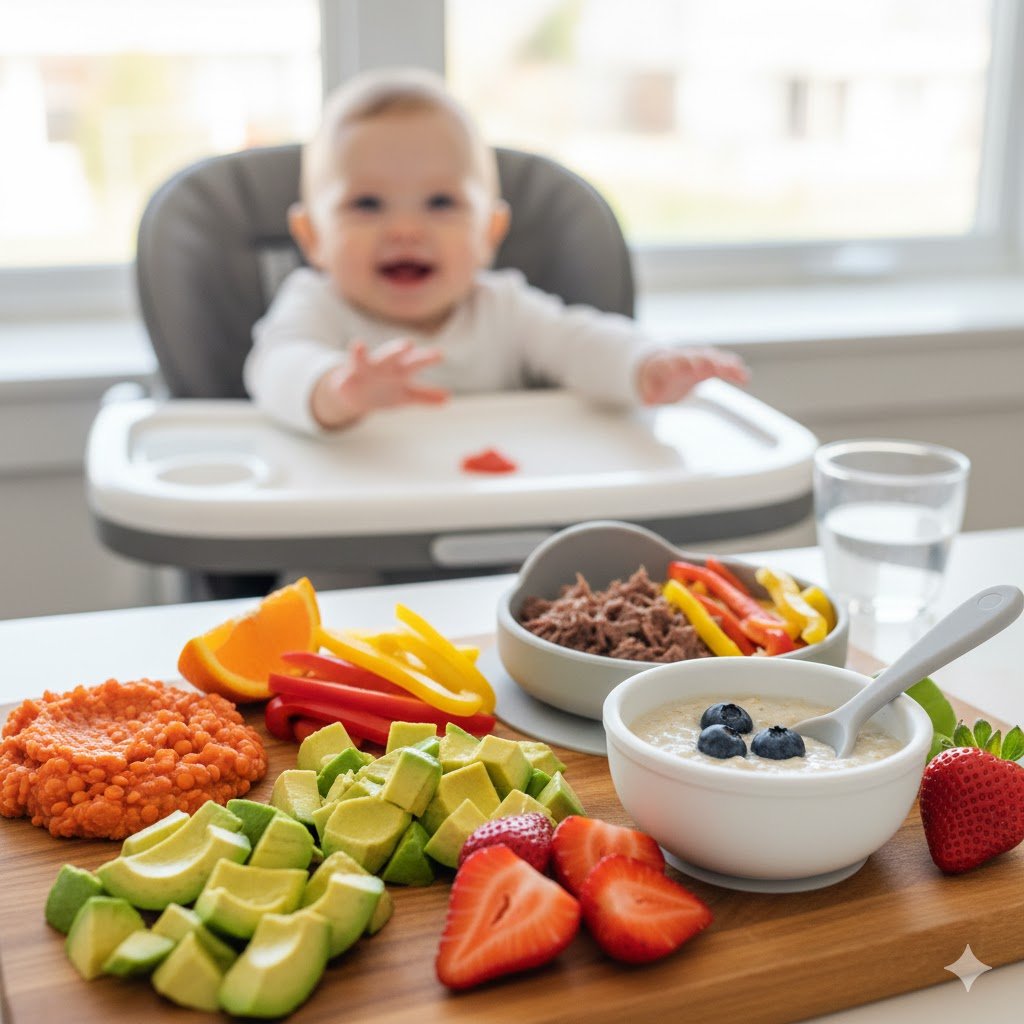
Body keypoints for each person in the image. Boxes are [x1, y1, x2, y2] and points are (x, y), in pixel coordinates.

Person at [244, 68, 748, 434]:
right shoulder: (316, 304)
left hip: (494, 526)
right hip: (348, 535)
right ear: (312, 237)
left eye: (441, 202)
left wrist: (644, 365)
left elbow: (578, 341)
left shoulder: (503, 308)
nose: (404, 229)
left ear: (490, 231)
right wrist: (335, 390)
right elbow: (275, 366)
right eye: (366, 204)